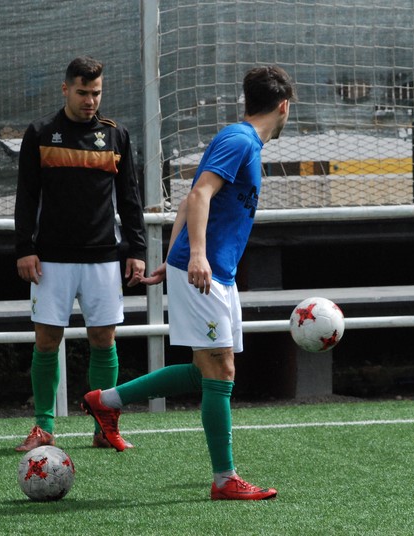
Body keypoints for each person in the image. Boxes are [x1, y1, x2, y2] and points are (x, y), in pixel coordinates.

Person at [81, 65, 294, 500]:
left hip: (214, 271)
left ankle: (106, 401)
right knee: (220, 369)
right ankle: (225, 479)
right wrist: (194, 255)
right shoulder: (239, 141)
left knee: (206, 373)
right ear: (284, 107)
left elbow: (188, 201)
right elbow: (198, 196)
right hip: (205, 270)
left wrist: (173, 257)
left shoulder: (242, 140)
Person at [14, 56, 147, 451]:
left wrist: (136, 248)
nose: (90, 100)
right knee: (46, 340)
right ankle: (43, 426)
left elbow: (130, 197)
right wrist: (25, 247)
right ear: (65, 89)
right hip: (51, 258)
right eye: (83, 92)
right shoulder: (41, 133)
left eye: (96, 93)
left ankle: (104, 427)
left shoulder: (116, 135)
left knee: (103, 339)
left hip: (103, 257)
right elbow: (26, 195)